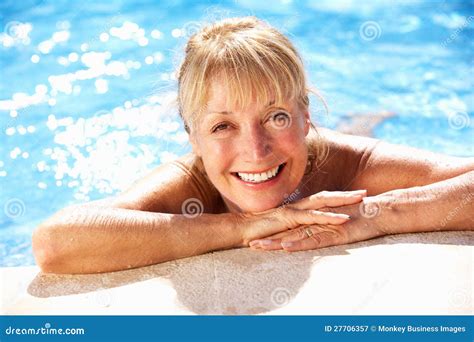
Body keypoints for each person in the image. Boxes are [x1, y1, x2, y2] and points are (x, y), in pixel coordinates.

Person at [32, 17, 473, 274]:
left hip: (330, 151)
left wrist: (377, 213)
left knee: (360, 133)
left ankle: (361, 122)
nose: (256, 149)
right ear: (192, 137)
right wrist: (243, 226)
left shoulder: (349, 166)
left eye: (276, 117)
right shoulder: (191, 187)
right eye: (222, 126)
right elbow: (54, 243)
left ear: (305, 117)